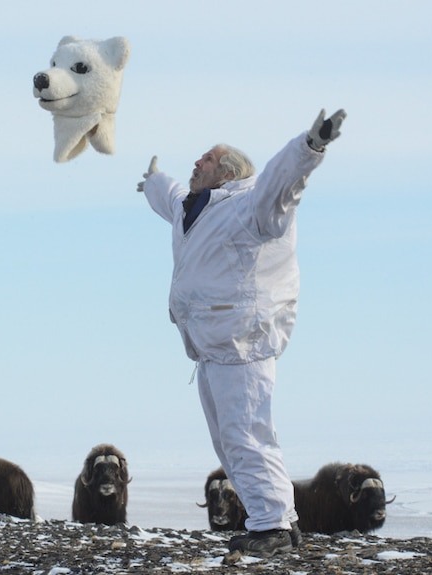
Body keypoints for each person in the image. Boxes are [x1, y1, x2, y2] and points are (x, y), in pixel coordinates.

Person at [136, 108, 346, 558]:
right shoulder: (192, 209)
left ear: (228, 172)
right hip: (211, 346)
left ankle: (270, 526)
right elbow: (168, 194)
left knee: (247, 434)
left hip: (242, 341)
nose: (197, 163)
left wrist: (309, 147)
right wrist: (152, 179)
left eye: (206, 160)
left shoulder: (251, 206)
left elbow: (280, 182)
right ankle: (278, 520)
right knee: (230, 440)